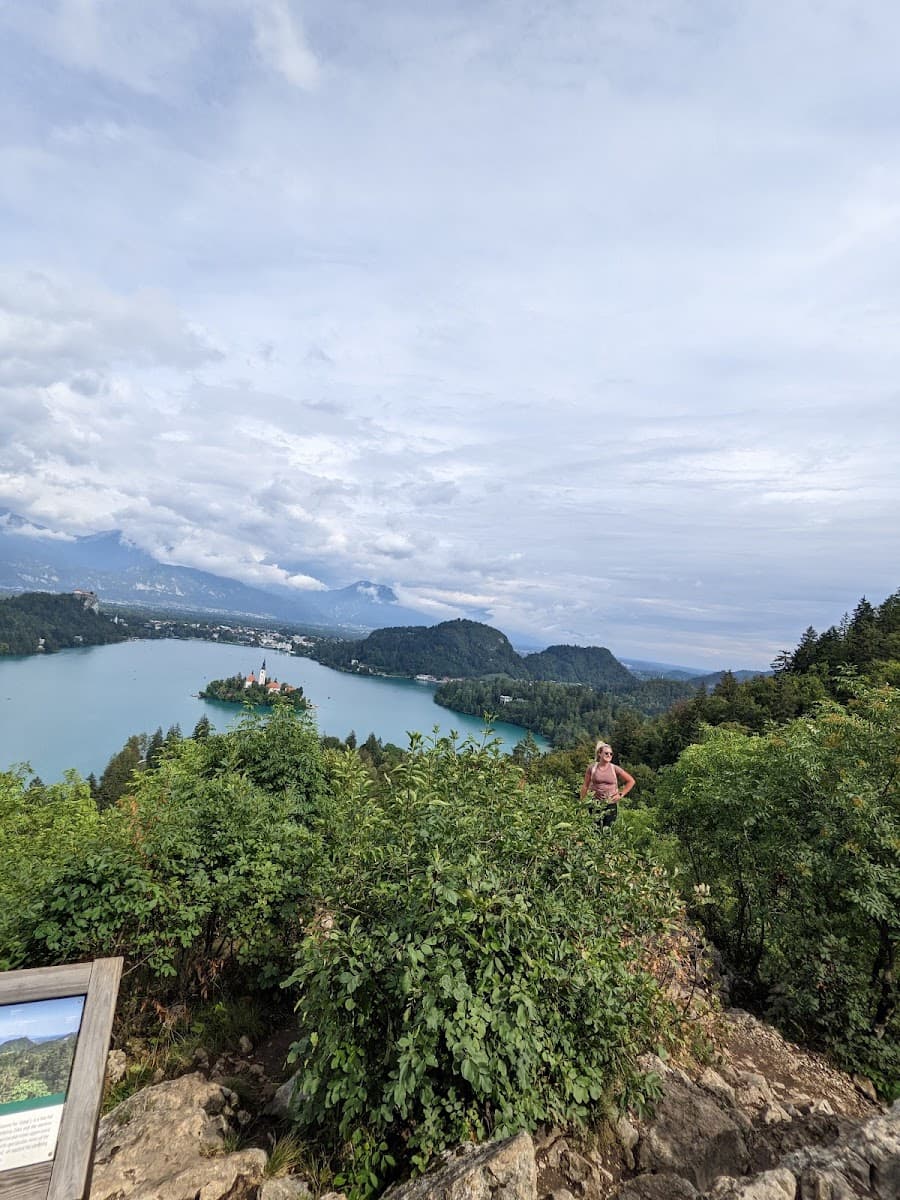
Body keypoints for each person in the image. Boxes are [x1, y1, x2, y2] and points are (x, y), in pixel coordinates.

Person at [580, 741, 635, 830]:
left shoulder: (614, 768)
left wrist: (621, 794)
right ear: (599, 754)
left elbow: (631, 781)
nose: (609, 755)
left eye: (611, 754)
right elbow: (585, 786)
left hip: (611, 804)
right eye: (606, 753)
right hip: (595, 804)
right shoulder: (592, 768)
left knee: (607, 831)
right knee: (594, 830)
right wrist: (582, 803)